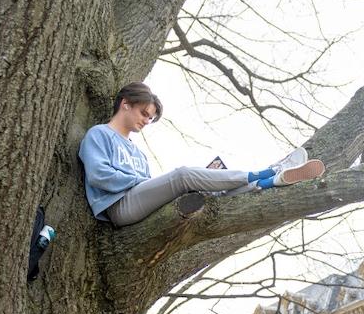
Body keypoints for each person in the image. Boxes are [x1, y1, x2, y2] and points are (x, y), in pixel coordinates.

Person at [79, 82, 325, 227]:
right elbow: (100, 176)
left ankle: (270, 182)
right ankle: (264, 171)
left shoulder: (138, 154)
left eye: (150, 118)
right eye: (144, 113)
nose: (146, 121)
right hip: (119, 207)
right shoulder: (99, 135)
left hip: (139, 204)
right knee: (183, 176)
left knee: (206, 193)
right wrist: (142, 183)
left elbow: (148, 189)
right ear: (125, 103)